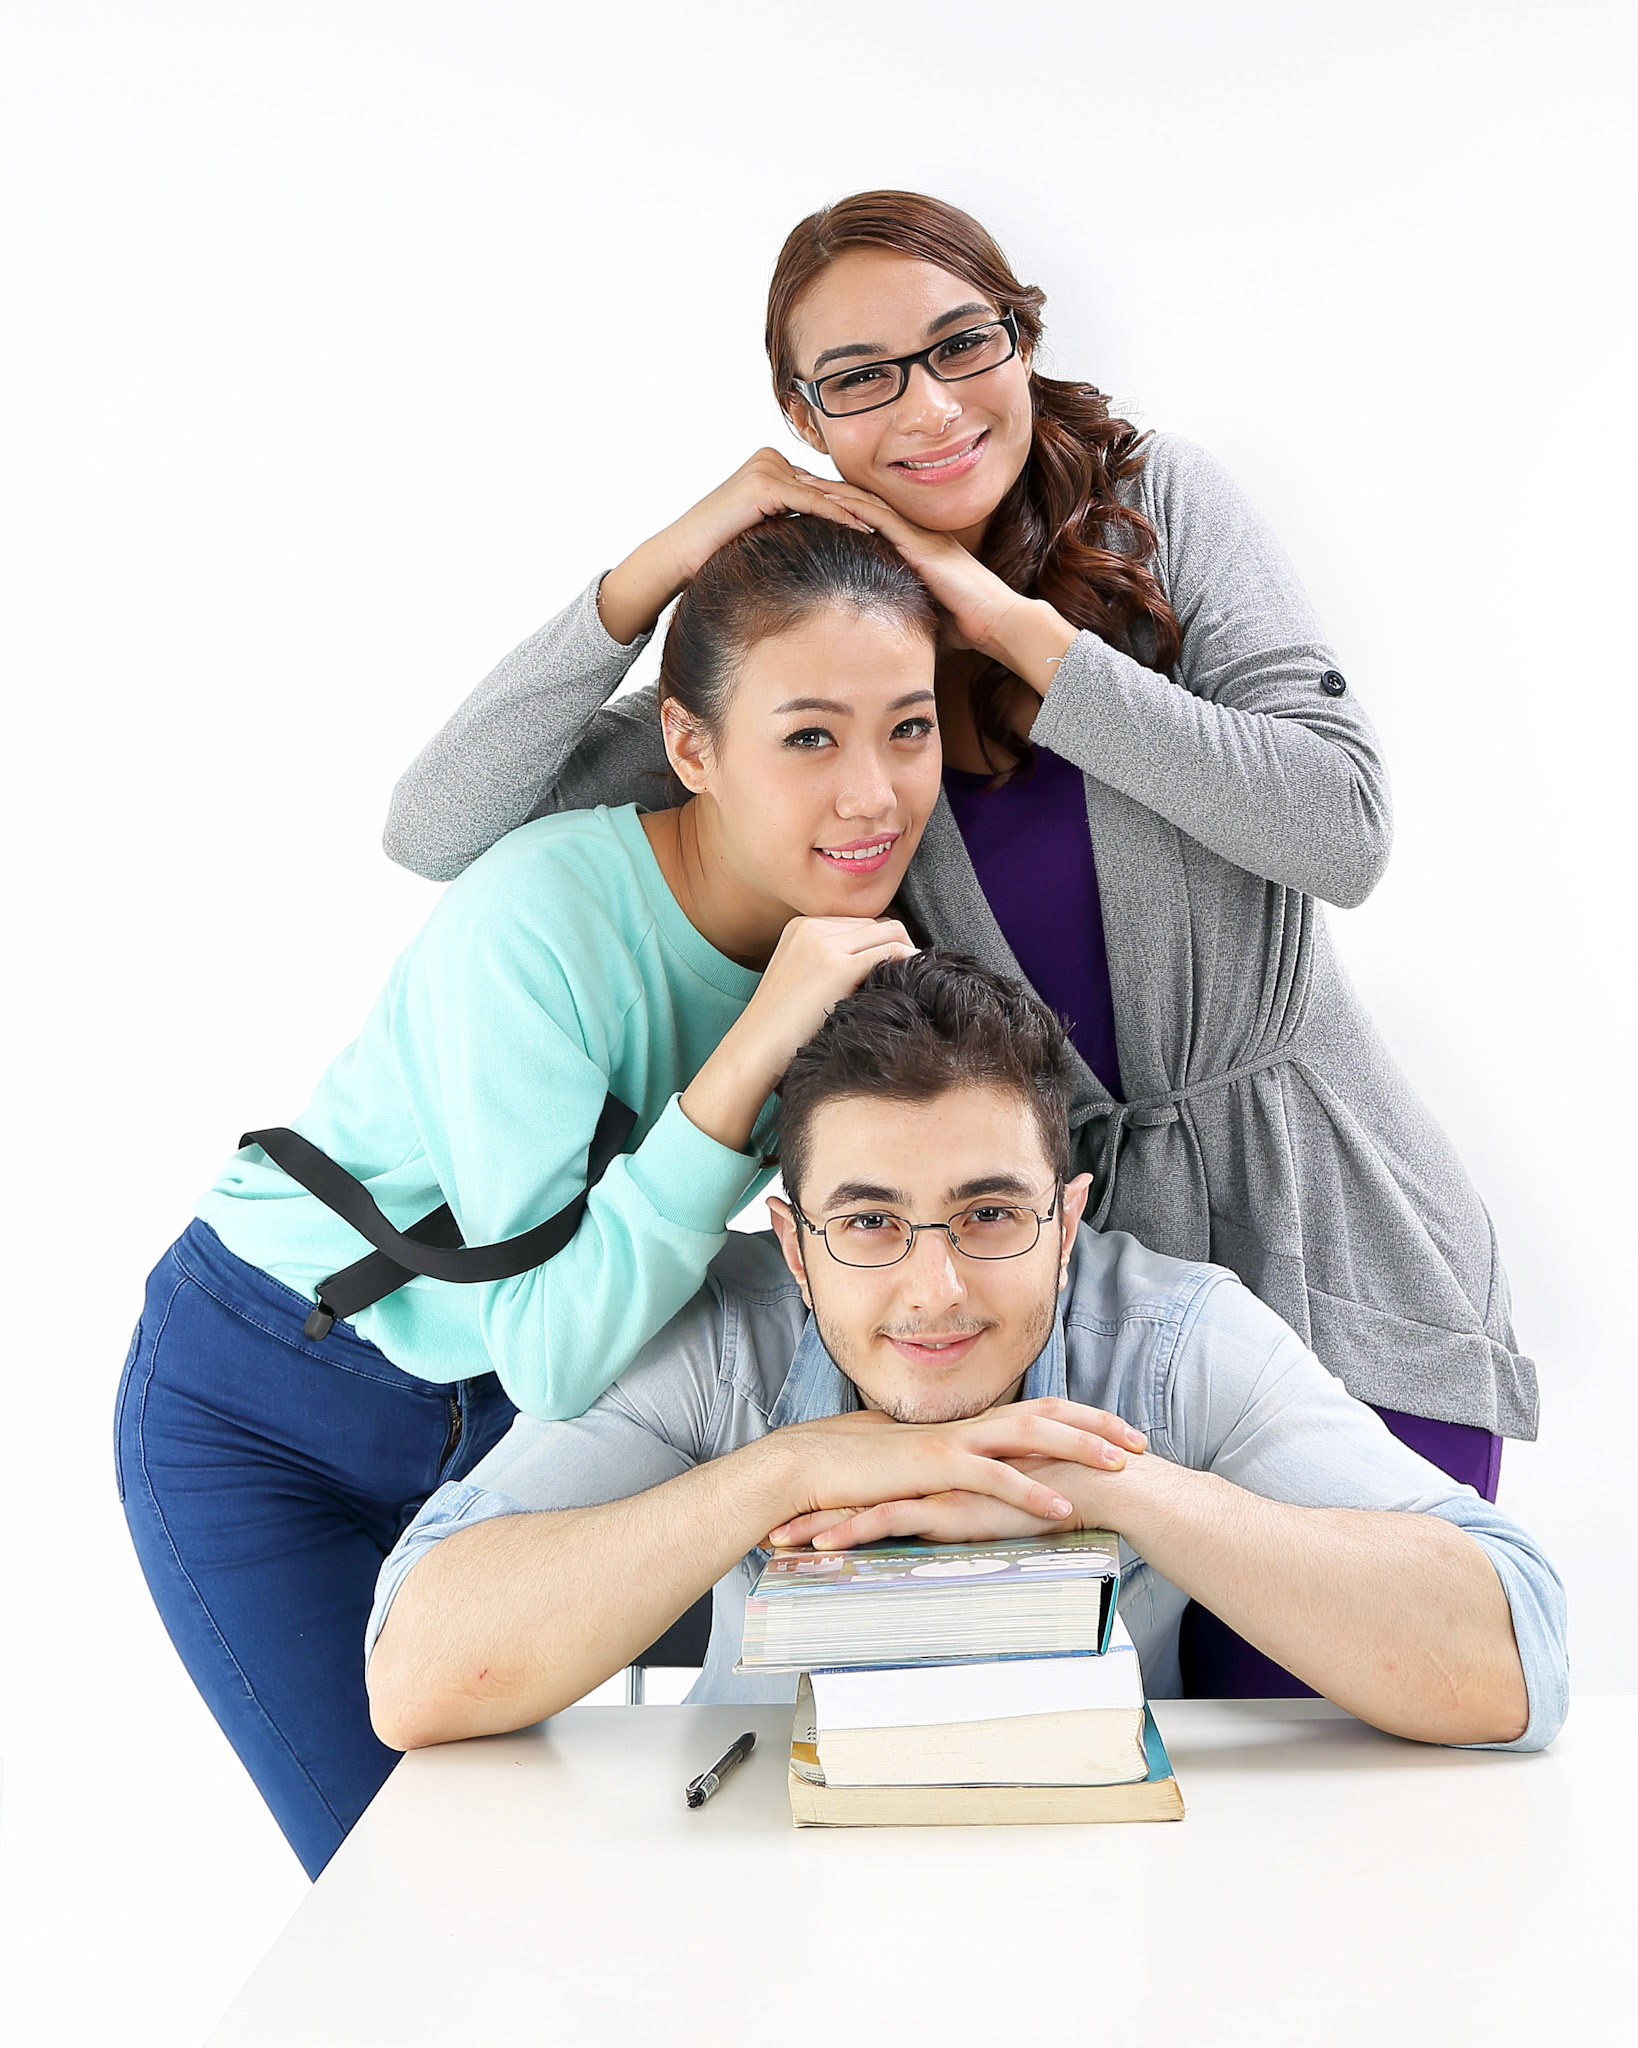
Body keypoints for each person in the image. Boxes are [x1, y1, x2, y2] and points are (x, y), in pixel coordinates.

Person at [377, 190, 1536, 1694]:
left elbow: (1341, 827)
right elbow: (441, 825)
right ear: (799, 413)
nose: (926, 404)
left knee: (1377, 1770)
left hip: (1331, 1240)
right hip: (1063, 1288)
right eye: (857, 376)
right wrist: (669, 559)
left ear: (1019, 335)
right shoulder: (818, 636)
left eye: (959, 343)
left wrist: (1008, 628)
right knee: (1124, 1778)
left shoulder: (1155, 505)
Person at [114, 519, 944, 1876]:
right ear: (690, 747)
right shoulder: (539, 922)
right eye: (808, 737)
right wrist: (752, 1051)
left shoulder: (869, 947)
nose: (872, 796)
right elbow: (550, 1348)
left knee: (572, 1889)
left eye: (906, 731)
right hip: (267, 1408)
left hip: (512, 1448)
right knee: (396, 1895)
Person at [364, 956, 1566, 1756]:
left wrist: (1091, 1480)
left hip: (1098, 1906)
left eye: (991, 1214)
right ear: (792, 1242)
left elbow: (1516, 1657)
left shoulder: (1176, 1334)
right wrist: (791, 1471)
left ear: (1067, 1222)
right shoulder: (714, 1339)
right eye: (870, 1221)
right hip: (754, 1905)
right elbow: (414, 1669)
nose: (932, 1288)